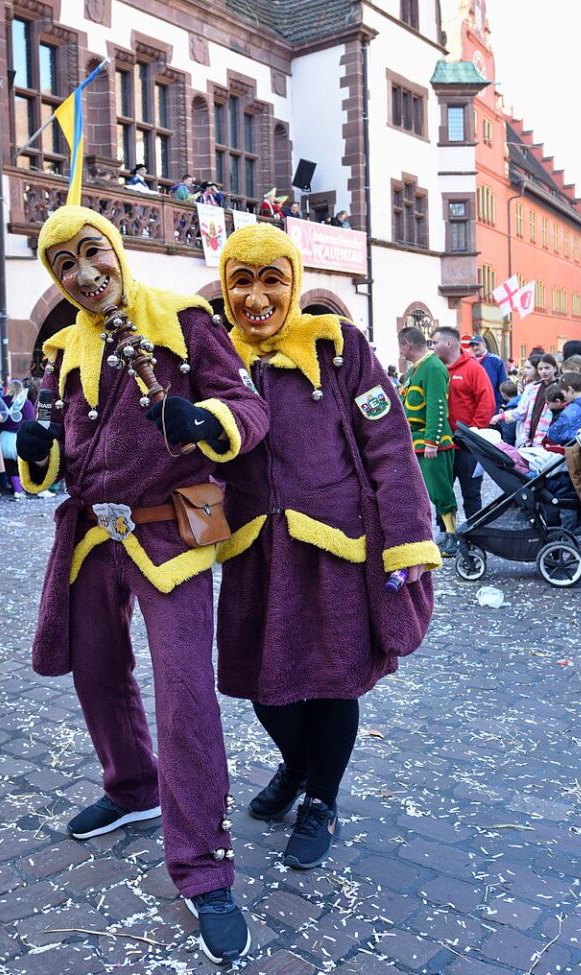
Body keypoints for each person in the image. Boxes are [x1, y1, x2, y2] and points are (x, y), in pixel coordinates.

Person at [15, 205, 268, 965]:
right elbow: (66, 456)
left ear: (115, 250)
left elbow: (248, 411)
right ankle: (132, 786)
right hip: (95, 533)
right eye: (65, 266)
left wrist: (204, 419)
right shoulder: (62, 349)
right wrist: (40, 452)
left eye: (92, 254)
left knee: (185, 694)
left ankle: (204, 868)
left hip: (170, 533)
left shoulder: (184, 321)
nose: (84, 275)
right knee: (96, 672)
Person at [214, 223, 439, 870]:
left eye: (270, 279)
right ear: (227, 287)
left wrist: (403, 539)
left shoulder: (339, 346)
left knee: (332, 681)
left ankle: (320, 799)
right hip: (253, 550)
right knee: (263, 680)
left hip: (334, 548)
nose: (256, 296)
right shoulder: (218, 359)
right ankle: (295, 763)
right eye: (242, 281)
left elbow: (388, 443)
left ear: (291, 280)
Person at [398, 327, 458, 555]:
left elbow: (437, 406)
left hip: (432, 443)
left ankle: (453, 537)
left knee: (441, 491)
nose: (401, 352)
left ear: (407, 345)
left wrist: (432, 441)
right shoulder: (417, 368)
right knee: (429, 492)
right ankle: (441, 534)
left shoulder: (432, 367)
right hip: (417, 441)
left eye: (401, 347)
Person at [433, 326, 495, 525]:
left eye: (434, 342)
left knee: (471, 493)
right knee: (442, 493)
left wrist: (472, 433)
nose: (431, 347)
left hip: (468, 446)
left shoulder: (473, 368)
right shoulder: (434, 368)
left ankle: (476, 533)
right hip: (442, 445)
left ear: (448, 343)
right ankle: (446, 532)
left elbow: (487, 402)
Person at [491, 353, 558, 447]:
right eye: (541, 369)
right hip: (529, 436)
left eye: (528, 368)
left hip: (546, 437)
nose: (543, 371)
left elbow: (522, 412)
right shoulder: (534, 387)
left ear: (555, 368)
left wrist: (501, 417)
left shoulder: (558, 388)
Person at [0, 379, 35, 499]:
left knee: (11, 465)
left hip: (5, 437)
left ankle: (17, 491)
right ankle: (32, 488)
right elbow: (31, 420)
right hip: (20, 437)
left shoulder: (3, 401)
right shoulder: (25, 402)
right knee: (28, 464)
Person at [546, 373, 581, 445]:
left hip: (576, 450)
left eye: (563, 393)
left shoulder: (570, 411)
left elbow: (554, 435)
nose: (564, 397)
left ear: (570, 390)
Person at [468, 335, 507, 413]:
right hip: (473, 405)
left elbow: (503, 383)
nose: (475, 348)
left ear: (484, 344)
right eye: (472, 345)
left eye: (477, 344)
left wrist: (503, 404)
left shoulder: (495, 360)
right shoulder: (469, 361)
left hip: (493, 404)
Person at [497, 379, 520, 446]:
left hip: (510, 444)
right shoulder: (520, 404)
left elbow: (508, 433)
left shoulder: (510, 410)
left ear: (503, 394)